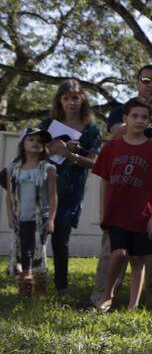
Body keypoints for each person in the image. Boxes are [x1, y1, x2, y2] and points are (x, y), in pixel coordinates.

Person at [92, 64, 152, 309]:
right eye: (147, 80)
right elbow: (116, 134)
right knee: (113, 248)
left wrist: (136, 137)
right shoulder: (120, 111)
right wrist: (141, 130)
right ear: (136, 82)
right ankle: (104, 295)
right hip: (120, 190)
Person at [37, 79, 101, 295]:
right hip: (43, 185)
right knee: (34, 235)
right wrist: (55, 148)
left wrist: (70, 155)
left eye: (75, 97)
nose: (71, 102)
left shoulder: (91, 129)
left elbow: (94, 163)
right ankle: (32, 281)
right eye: (66, 98)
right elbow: (31, 150)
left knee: (60, 239)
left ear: (82, 98)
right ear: (59, 100)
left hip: (71, 190)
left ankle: (61, 287)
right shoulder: (47, 124)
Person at [4, 128, 57, 294]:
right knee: (23, 250)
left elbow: (53, 195)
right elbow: (9, 195)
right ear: (23, 143)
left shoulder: (48, 168)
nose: (36, 143)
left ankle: (40, 287)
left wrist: (51, 219)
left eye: (39, 141)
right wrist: (10, 215)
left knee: (38, 251)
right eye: (31, 139)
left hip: (40, 218)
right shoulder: (12, 169)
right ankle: (25, 287)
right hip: (22, 217)